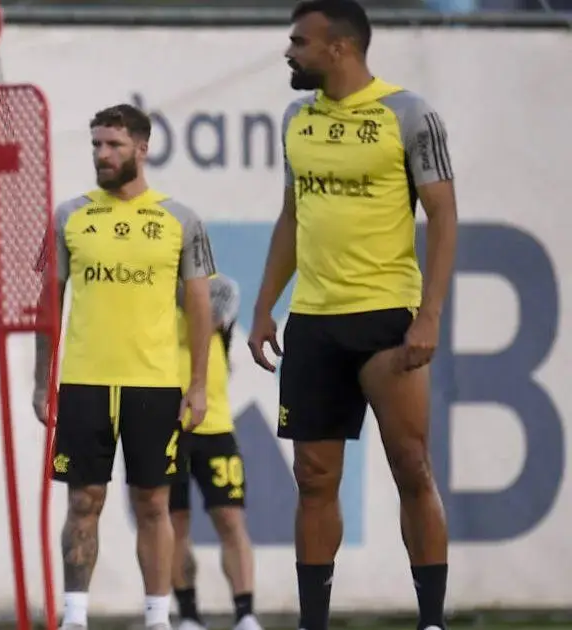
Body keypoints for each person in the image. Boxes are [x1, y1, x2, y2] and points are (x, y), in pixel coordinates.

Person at [247, 2, 458, 630]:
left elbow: (443, 217)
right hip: (312, 323)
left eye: (299, 42)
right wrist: (264, 308)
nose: (289, 52)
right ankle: (314, 623)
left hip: (386, 320)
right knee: (313, 479)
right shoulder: (295, 119)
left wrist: (430, 315)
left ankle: (431, 621)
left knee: (412, 467)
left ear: (339, 47)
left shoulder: (409, 114)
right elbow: (292, 215)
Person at [32, 103, 218, 630]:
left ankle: (158, 617)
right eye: (95, 144)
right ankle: (75, 616)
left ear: (142, 148)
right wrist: (41, 381)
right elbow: (48, 302)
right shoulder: (69, 215)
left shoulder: (181, 219)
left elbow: (199, 306)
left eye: (112, 145)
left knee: (154, 504)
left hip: (154, 384)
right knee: (83, 500)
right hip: (85, 381)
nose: (102, 155)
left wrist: (198, 385)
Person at [168, 273, 263, 630]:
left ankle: (246, 614)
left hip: (216, 424)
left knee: (231, 519)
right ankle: (189, 616)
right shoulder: (150, 290)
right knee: (174, 524)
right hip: (167, 426)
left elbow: (208, 314)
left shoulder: (220, 287)